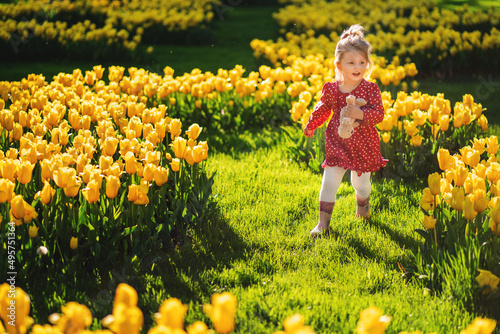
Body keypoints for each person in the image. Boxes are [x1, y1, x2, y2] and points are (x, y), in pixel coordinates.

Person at [303, 24, 387, 237]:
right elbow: (322, 108)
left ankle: (363, 206)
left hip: (364, 144)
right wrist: (312, 123)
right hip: (337, 142)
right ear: (339, 65)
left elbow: (379, 114)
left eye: (362, 62)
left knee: (360, 184)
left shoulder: (370, 89)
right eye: (351, 62)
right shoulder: (332, 89)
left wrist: (361, 114)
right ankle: (323, 224)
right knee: (329, 181)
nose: (357, 66)